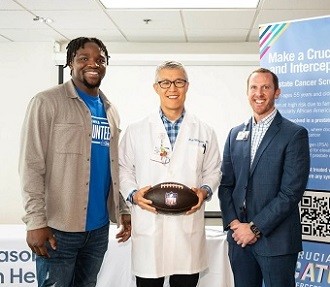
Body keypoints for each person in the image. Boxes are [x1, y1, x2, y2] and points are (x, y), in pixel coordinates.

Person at [19, 37, 131, 287]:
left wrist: (122, 209)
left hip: (98, 230)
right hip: (58, 228)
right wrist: (36, 221)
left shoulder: (110, 110)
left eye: (100, 60)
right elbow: (31, 165)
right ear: (71, 63)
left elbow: (111, 167)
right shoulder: (47, 102)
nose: (93, 64)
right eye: (84, 58)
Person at [119, 61, 221, 287]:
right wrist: (134, 194)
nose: (172, 88)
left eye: (178, 82)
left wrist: (204, 192)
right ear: (156, 87)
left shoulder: (204, 130)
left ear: (187, 86)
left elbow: (213, 170)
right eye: (165, 82)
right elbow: (123, 169)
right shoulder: (136, 130)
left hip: (187, 230)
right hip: (149, 226)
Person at [218, 68, 310, 287]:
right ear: (247, 92)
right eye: (254, 87)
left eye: (265, 87)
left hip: (277, 242)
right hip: (239, 240)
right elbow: (226, 185)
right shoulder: (234, 133)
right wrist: (234, 225)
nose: (259, 93)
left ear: (276, 92)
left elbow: (290, 193)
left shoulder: (294, 134)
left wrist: (254, 228)